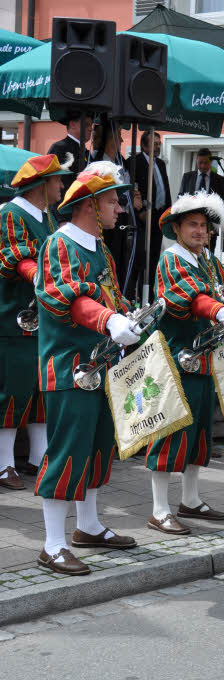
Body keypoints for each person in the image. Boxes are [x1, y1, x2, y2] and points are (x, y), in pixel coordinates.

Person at [34, 161, 140, 575]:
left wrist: (131, 319)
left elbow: (112, 299)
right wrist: (109, 320)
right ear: (90, 205)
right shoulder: (60, 244)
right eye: (113, 201)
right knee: (66, 452)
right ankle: (52, 544)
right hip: (69, 368)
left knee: (96, 449)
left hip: (100, 366)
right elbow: (67, 299)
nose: (120, 209)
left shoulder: (101, 249)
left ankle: (88, 526)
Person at [145, 193, 224, 534]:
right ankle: (159, 509)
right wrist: (220, 311)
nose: (200, 231)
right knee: (170, 433)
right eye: (192, 225)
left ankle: (190, 499)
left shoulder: (209, 261)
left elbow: (218, 297)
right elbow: (190, 298)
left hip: (203, 359)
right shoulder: (172, 260)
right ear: (176, 228)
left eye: (204, 226)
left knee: (199, 435)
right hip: (177, 358)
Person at [0, 154, 71, 490]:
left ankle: (38, 457)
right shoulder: (10, 214)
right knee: (11, 390)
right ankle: (3, 464)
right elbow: (17, 260)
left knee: (41, 390)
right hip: (11, 318)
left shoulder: (48, 217)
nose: (62, 185)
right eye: (58, 180)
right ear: (41, 184)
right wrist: (50, 280)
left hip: (41, 319)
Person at [89, 118, 142, 287]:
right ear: (109, 139)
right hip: (105, 221)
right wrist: (128, 199)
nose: (121, 140)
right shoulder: (96, 162)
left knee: (121, 262)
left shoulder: (122, 161)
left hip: (123, 219)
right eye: (118, 135)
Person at [127, 130, 172, 302]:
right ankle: (132, 298)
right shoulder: (134, 162)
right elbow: (131, 190)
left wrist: (168, 212)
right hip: (142, 219)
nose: (158, 146)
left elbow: (164, 188)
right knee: (139, 260)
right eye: (154, 144)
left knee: (153, 259)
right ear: (144, 145)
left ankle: (149, 300)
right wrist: (139, 213)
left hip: (159, 217)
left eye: (159, 143)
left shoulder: (160, 163)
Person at [47, 111, 93, 194]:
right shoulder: (60, 148)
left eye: (91, 125)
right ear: (72, 124)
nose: (91, 128)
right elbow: (53, 181)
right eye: (86, 124)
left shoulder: (86, 152)